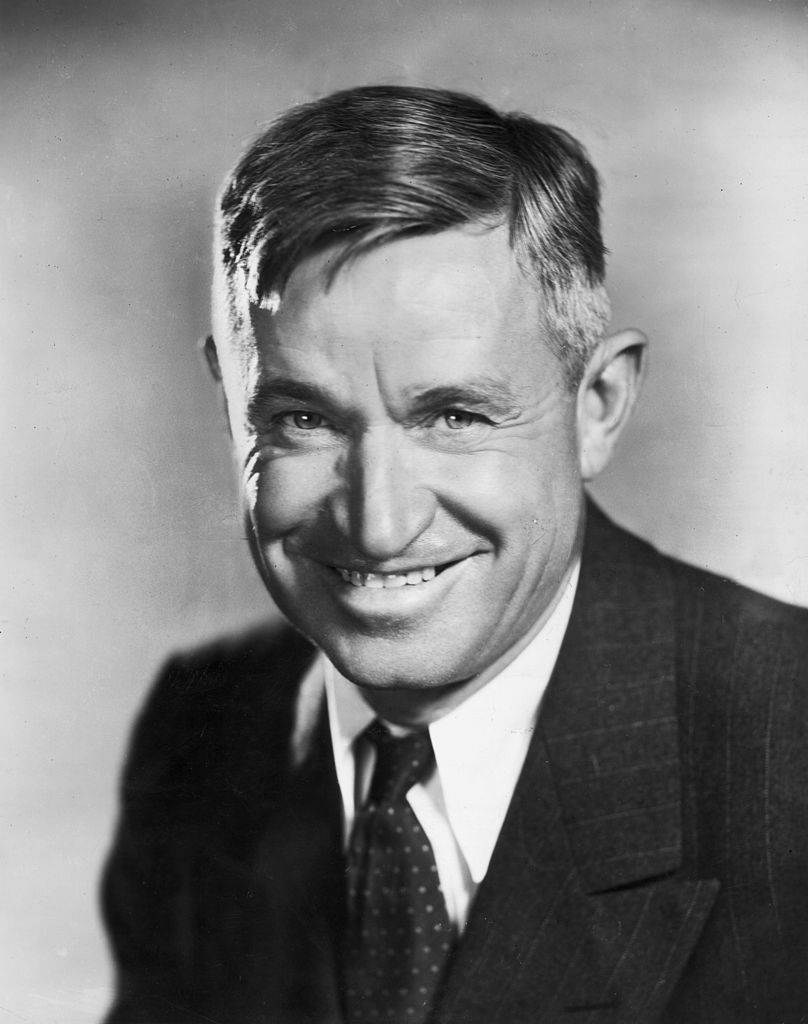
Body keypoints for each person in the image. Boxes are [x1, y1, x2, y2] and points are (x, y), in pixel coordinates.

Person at [101, 85, 808, 1024]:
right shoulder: (200, 731)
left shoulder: (789, 755)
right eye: (303, 419)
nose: (379, 524)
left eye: (455, 415)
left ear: (598, 407)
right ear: (228, 402)